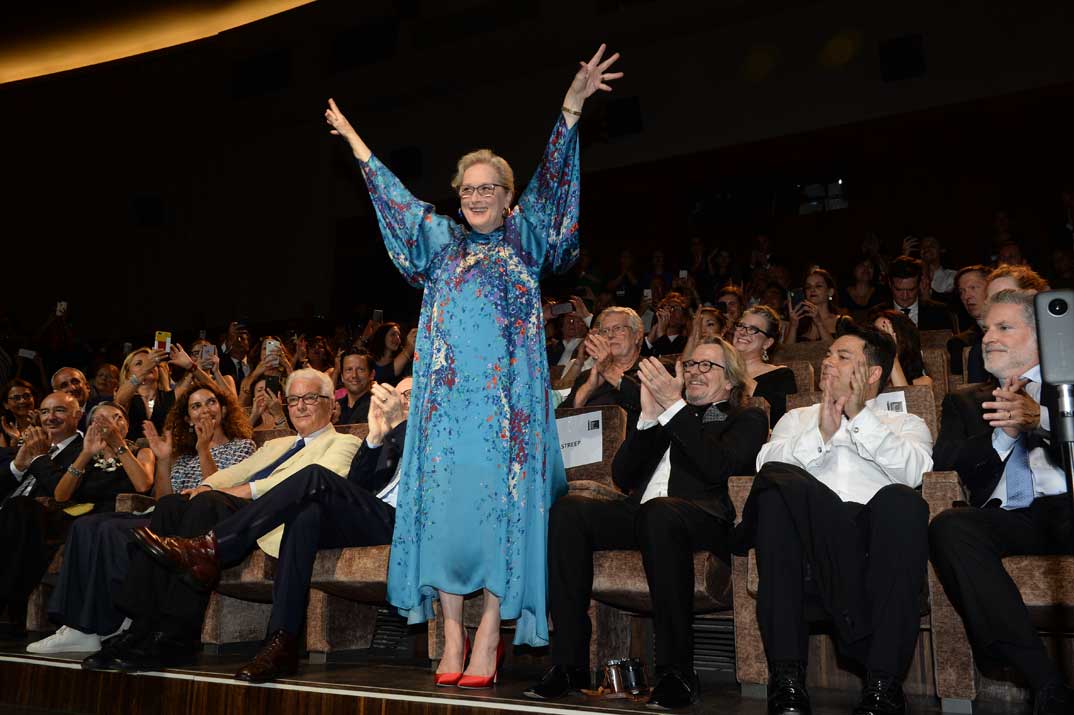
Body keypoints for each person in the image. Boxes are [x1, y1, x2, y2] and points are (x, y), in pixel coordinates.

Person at [324, 42, 621, 686]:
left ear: (508, 197)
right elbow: (397, 201)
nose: (477, 196)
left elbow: (555, 181)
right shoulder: (438, 242)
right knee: (448, 522)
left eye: (490, 188)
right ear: (458, 196)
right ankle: (451, 638)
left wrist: (571, 107)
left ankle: (489, 637)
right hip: (443, 413)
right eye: (468, 188)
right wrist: (357, 145)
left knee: (497, 522)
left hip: (507, 415)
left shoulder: (525, 235)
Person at [527, 340, 768, 708]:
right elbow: (622, 475)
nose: (694, 372)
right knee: (569, 510)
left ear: (731, 380)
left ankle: (677, 672)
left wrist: (674, 409)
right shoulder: (666, 418)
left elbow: (719, 467)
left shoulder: (746, 416)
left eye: (707, 366)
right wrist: (647, 419)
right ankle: (569, 663)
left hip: (701, 519)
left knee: (660, 512)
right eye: (690, 365)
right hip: (644, 515)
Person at [130, 378, 411, 682]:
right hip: (354, 515)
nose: (399, 400)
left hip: (399, 522)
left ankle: (213, 548)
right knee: (304, 513)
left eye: (409, 394)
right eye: (395, 394)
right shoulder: (377, 439)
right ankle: (281, 641)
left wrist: (399, 428)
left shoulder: (426, 435)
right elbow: (358, 487)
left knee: (313, 476)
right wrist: (377, 437)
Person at [87, 369, 360, 672]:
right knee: (172, 505)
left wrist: (233, 490)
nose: (300, 406)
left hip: (274, 518)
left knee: (207, 504)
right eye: (293, 399)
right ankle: (142, 628)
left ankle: (176, 637)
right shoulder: (276, 445)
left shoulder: (345, 443)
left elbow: (312, 483)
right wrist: (206, 485)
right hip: (235, 506)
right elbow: (233, 473)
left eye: (310, 398)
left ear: (331, 404)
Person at [736, 324, 933, 715]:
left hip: (871, 534)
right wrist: (821, 437)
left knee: (902, 501)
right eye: (828, 354)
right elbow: (763, 467)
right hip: (807, 538)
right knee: (776, 494)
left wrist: (859, 417)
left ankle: (883, 684)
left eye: (842, 356)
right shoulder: (798, 418)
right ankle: (787, 682)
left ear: (873, 373)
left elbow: (916, 473)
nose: (828, 361)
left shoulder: (905, 422)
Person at [928, 290, 1073, 715]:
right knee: (950, 527)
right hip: (1014, 516)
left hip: (1067, 502)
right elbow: (947, 463)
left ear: (1041, 335)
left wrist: (1041, 421)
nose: (989, 336)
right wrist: (1002, 435)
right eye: (987, 328)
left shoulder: (1068, 384)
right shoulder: (966, 400)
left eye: (1004, 327)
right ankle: (1045, 680)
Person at [26, 386, 241, 655]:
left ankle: (109, 622)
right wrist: (164, 461)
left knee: (108, 529)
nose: (204, 410)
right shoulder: (181, 455)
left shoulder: (242, 446)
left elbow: (216, 493)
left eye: (210, 402)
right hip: (162, 515)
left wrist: (204, 450)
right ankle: (77, 626)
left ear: (222, 409)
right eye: (195, 406)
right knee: (85, 525)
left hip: (200, 524)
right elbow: (163, 500)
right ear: (187, 418)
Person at [562, 307, 661, 429]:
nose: (610, 335)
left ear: (637, 335)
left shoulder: (654, 369)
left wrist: (609, 370)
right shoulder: (587, 377)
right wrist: (586, 390)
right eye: (604, 331)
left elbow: (652, 406)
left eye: (618, 328)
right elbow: (560, 422)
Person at [733, 305, 797, 425]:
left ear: (767, 343)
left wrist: (738, 371)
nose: (742, 332)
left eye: (753, 329)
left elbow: (779, 419)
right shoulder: (719, 370)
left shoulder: (781, 375)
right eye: (741, 326)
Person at [114, 348, 174, 443]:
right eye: (139, 363)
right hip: (132, 453)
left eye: (152, 362)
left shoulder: (167, 396)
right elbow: (119, 401)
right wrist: (145, 368)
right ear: (128, 373)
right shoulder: (127, 397)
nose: (149, 365)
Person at [884, 256, 953, 331]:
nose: (905, 296)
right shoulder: (875, 314)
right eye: (899, 290)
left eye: (911, 290)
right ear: (890, 284)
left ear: (919, 284)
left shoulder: (940, 313)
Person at [946, 265, 990, 378]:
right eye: (962, 291)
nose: (967, 296)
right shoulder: (959, 343)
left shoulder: (1019, 330)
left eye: (973, 288)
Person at [872, 309, 932, 387]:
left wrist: (892, 353)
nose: (878, 342)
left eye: (885, 335)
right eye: (875, 335)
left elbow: (901, 395)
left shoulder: (923, 381)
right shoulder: (870, 374)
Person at [785, 268, 845, 343]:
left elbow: (836, 351)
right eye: (808, 287)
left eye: (818, 286)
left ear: (830, 292)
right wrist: (793, 326)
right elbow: (787, 353)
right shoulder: (797, 322)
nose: (812, 290)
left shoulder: (842, 322)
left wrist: (819, 323)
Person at [644, 292, 691, 357]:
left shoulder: (686, 343)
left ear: (684, 319)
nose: (671, 311)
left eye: (676, 308)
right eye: (667, 307)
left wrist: (662, 334)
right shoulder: (646, 337)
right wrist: (649, 340)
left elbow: (669, 360)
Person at [336, 348, 375, 424]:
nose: (354, 375)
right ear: (342, 376)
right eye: (349, 370)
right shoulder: (334, 408)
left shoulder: (379, 407)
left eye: (360, 369)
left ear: (372, 374)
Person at [0, 379, 36, 449]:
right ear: (6, 405)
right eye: (16, 398)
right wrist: (14, 444)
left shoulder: (46, 421)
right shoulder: (5, 429)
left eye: (27, 396)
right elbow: (4, 459)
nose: (22, 401)